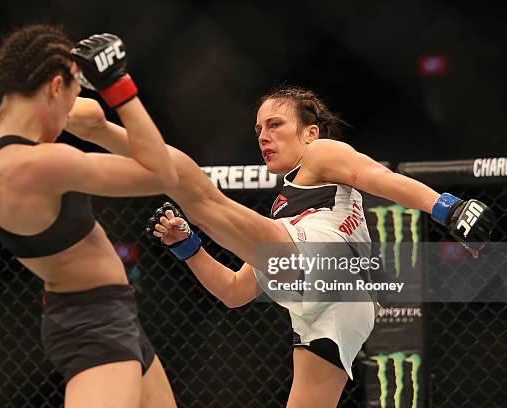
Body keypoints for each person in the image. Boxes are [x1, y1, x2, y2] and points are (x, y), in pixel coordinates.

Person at [67, 86, 494, 407]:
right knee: (201, 202)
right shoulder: (284, 218)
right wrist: (188, 247)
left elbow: (379, 179)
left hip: (329, 267)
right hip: (337, 302)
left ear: (309, 132)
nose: (263, 136)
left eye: (275, 125)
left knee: (198, 193)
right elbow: (235, 292)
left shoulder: (320, 154)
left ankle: (103, 127)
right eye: (258, 129)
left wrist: (447, 207)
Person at [0, 25, 178, 408]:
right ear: (53, 87)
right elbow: (162, 174)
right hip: (95, 324)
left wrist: (75, 78)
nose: (68, 115)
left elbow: (75, 109)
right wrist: (117, 84)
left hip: (100, 311)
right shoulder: (38, 165)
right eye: (69, 97)